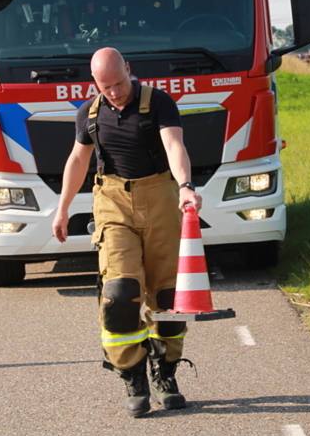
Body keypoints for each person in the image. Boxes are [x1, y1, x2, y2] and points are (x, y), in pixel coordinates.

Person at [52, 47, 203, 417]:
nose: (115, 92)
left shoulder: (159, 102)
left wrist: (185, 185)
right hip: (113, 203)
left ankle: (165, 371)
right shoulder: (88, 113)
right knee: (120, 293)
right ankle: (132, 375)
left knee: (168, 295)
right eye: (106, 86)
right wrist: (62, 208)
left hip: (161, 197)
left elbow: (174, 144)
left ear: (129, 71)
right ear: (95, 84)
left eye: (119, 83)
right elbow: (78, 159)